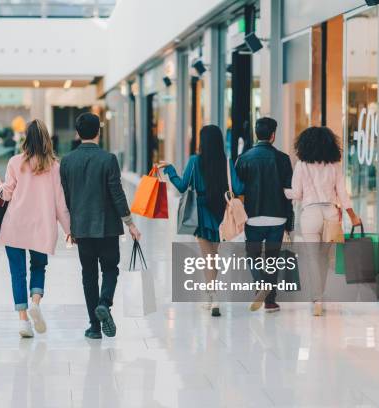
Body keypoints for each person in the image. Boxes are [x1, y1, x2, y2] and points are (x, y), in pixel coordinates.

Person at [60, 112, 141, 339]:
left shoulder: (67, 161)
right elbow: (117, 193)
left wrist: (70, 226)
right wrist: (130, 224)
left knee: (88, 275)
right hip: (107, 227)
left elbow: (66, 198)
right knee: (110, 269)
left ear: (78, 133)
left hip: (82, 228)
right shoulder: (108, 159)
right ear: (99, 132)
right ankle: (104, 303)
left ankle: (95, 327)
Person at [0, 119, 71, 338]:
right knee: (38, 267)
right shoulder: (54, 167)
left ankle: (23, 321)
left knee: (18, 273)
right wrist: (69, 229)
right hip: (41, 227)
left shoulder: (15, 162)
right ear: (46, 139)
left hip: (15, 226)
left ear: (26, 138)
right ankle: (36, 302)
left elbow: (6, 194)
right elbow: (60, 202)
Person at [158, 125, 243, 317]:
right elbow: (238, 186)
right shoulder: (227, 162)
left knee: (208, 259)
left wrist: (170, 169)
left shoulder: (195, 161)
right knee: (216, 257)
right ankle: (212, 295)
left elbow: (181, 186)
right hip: (221, 213)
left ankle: (212, 297)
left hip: (201, 215)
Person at [284, 126, 362, 316]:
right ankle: (320, 296)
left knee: (312, 258)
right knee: (324, 259)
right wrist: (352, 216)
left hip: (310, 214)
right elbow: (343, 194)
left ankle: (316, 298)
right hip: (330, 214)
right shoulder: (335, 165)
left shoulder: (302, 165)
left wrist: (281, 191)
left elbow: (296, 193)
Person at [235, 117, 293, 313]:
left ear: (256, 133)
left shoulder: (244, 159)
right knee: (272, 258)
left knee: (252, 255)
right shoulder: (283, 159)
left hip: (252, 216)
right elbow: (288, 193)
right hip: (278, 216)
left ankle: (260, 284)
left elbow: (237, 189)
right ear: (273, 135)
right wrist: (290, 224)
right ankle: (270, 301)